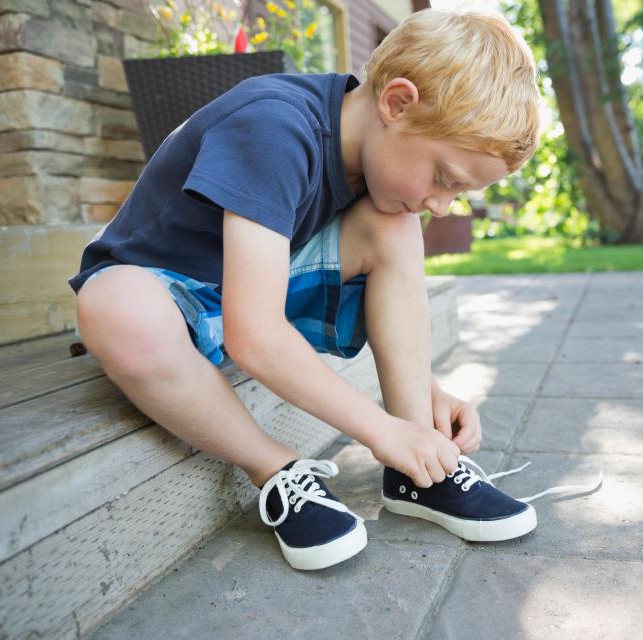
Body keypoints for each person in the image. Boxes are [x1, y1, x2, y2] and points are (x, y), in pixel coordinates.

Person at [69, 9, 544, 571]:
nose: (442, 204)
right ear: (396, 102)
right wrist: (378, 429)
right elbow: (255, 334)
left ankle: (420, 472)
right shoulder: (275, 126)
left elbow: (300, 288)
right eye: (444, 178)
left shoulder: (371, 155)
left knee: (393, 221)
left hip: (247, 294)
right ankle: (277, 471)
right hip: (168, 296)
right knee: (113, 307)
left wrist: (422, 391)